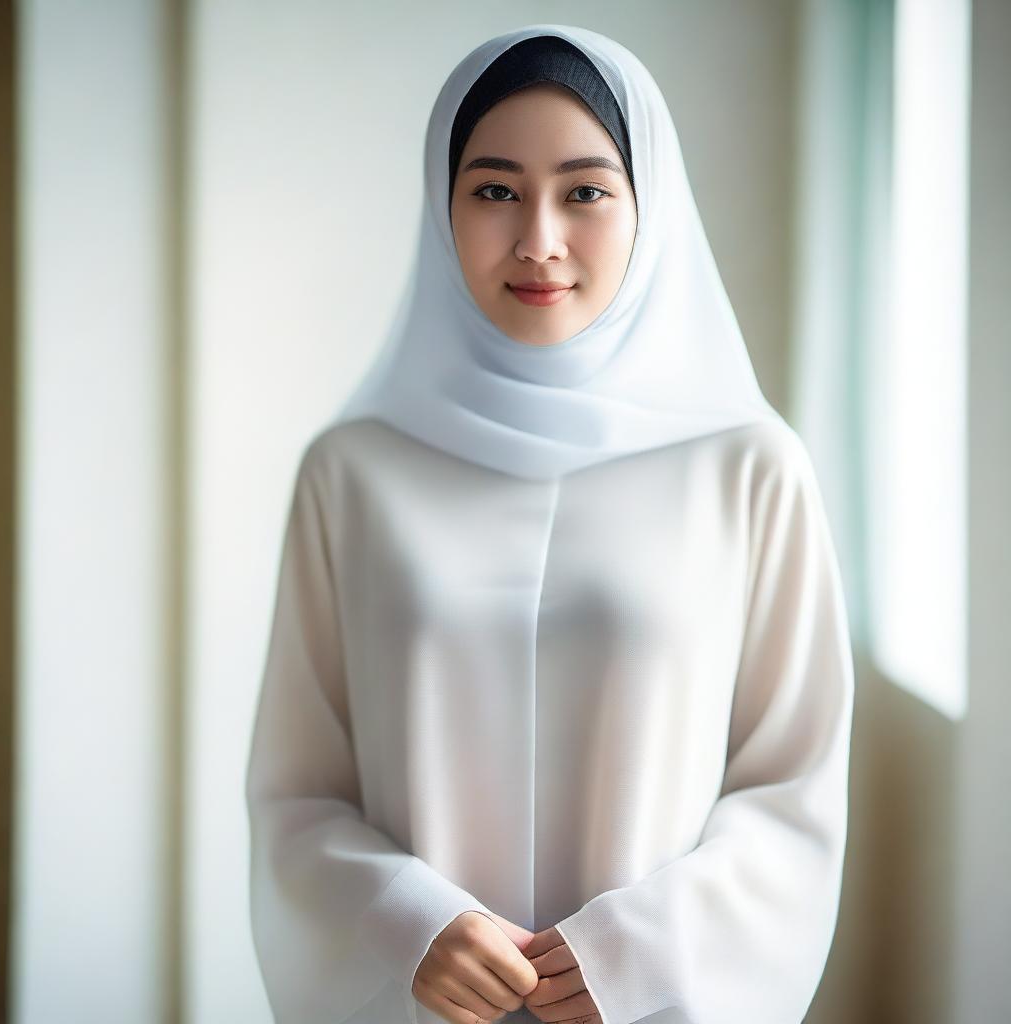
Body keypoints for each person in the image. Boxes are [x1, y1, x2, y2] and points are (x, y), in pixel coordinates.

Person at [245, 24, 855, 1024]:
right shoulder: (353, 472)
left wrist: (640, 949)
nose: (538, 239)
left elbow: (794, 788)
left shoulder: (749, 468)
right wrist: (408, 924)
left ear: (645, 204)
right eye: (493, 189)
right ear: (441, 208)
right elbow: (295, 792)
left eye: (584, 190)